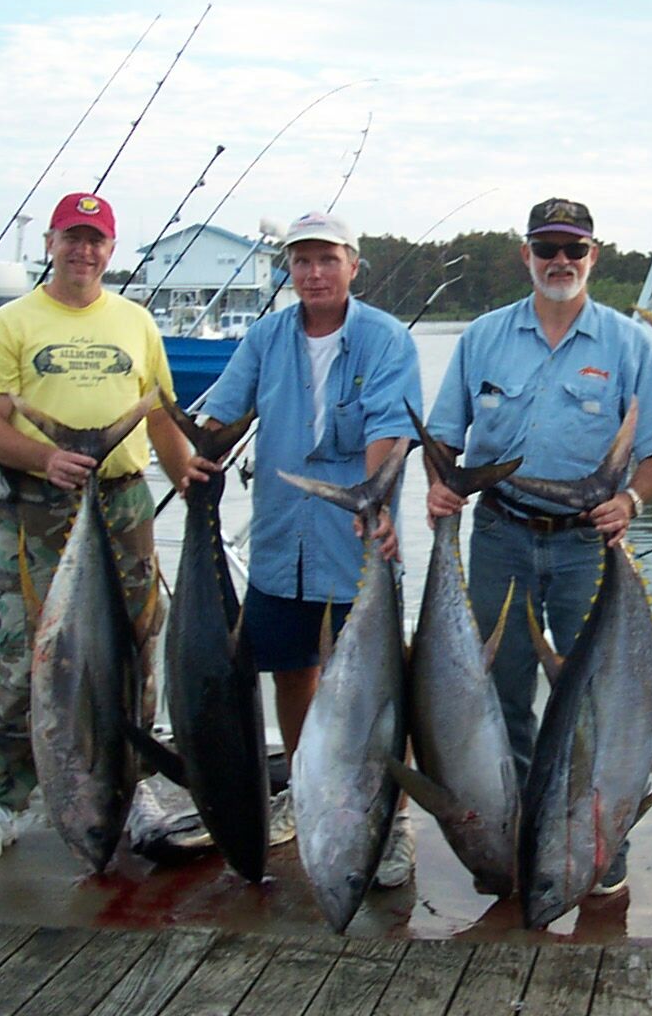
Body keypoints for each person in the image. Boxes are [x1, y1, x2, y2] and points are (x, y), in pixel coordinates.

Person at [424, 196, 652, 896]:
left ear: (594, 256)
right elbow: (443, 437)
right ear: (526, 256)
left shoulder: (627, 344)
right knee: (498, 689)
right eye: (547, 248)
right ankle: (512, 834)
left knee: (599, 696)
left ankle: (601, 838)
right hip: (499, 534)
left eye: (574, 249)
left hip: (585, 546)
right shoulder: (482, 337)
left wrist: (629, 501)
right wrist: (441, 486)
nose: (560, 261)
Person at [0, 191, 212, 865]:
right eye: (72, 237)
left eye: (95, 239)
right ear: (50, 243)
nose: (83, 250)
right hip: (38, 509)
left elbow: (158, 415)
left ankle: (132, 783)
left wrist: (187, 479)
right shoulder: (10, 324)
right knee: (26, 657)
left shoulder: (136, 322)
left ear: (111, 249)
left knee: (133, 654)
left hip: (124, 507)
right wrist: (47, 457)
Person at [189, 211, 421, 886]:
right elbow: (225, 411)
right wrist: (196, 452)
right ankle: (307, 787)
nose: (314, 273)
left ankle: (392, 819)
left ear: (353, 265)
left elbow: (388, 428)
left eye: (327, 260)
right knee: (292, 671)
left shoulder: (385, 338)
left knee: (379, 686)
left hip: (355, 541)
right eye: (301, 261)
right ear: (288, 270)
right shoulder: (267, 337)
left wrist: (374, 500)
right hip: (279, 542)